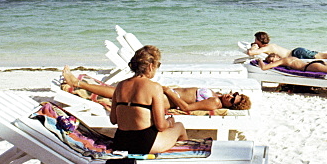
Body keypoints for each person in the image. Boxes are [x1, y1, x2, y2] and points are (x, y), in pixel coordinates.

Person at [61, 67, 251, 113]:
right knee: (123, 89)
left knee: (120, 93)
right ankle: (81, 85)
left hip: (165, 99)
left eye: (233, 99)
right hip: (165, 94)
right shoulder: (218, 95)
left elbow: (186, 108)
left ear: (231, 106)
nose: (231, 95)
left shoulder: (215, 102)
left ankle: (77, 84)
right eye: (235, 93)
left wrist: (169, 93)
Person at [109, 45, 188, 155]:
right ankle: (186, 156)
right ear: (151, 66)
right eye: (158, 65)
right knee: (179, 127)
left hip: (121, 142)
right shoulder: (154, 87)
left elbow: (113, 119)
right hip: (144, 144)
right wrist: (169, 123)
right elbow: (160, 126)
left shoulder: (120, 86)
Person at [247, 31, 327, 67]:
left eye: (256, 40)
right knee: (325, 55)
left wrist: (254, 45)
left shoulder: (267, 48)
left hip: (298, 54)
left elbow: (251, 52)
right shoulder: (271, 46)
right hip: (298, 52)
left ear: (258, 40)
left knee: (325, 56)